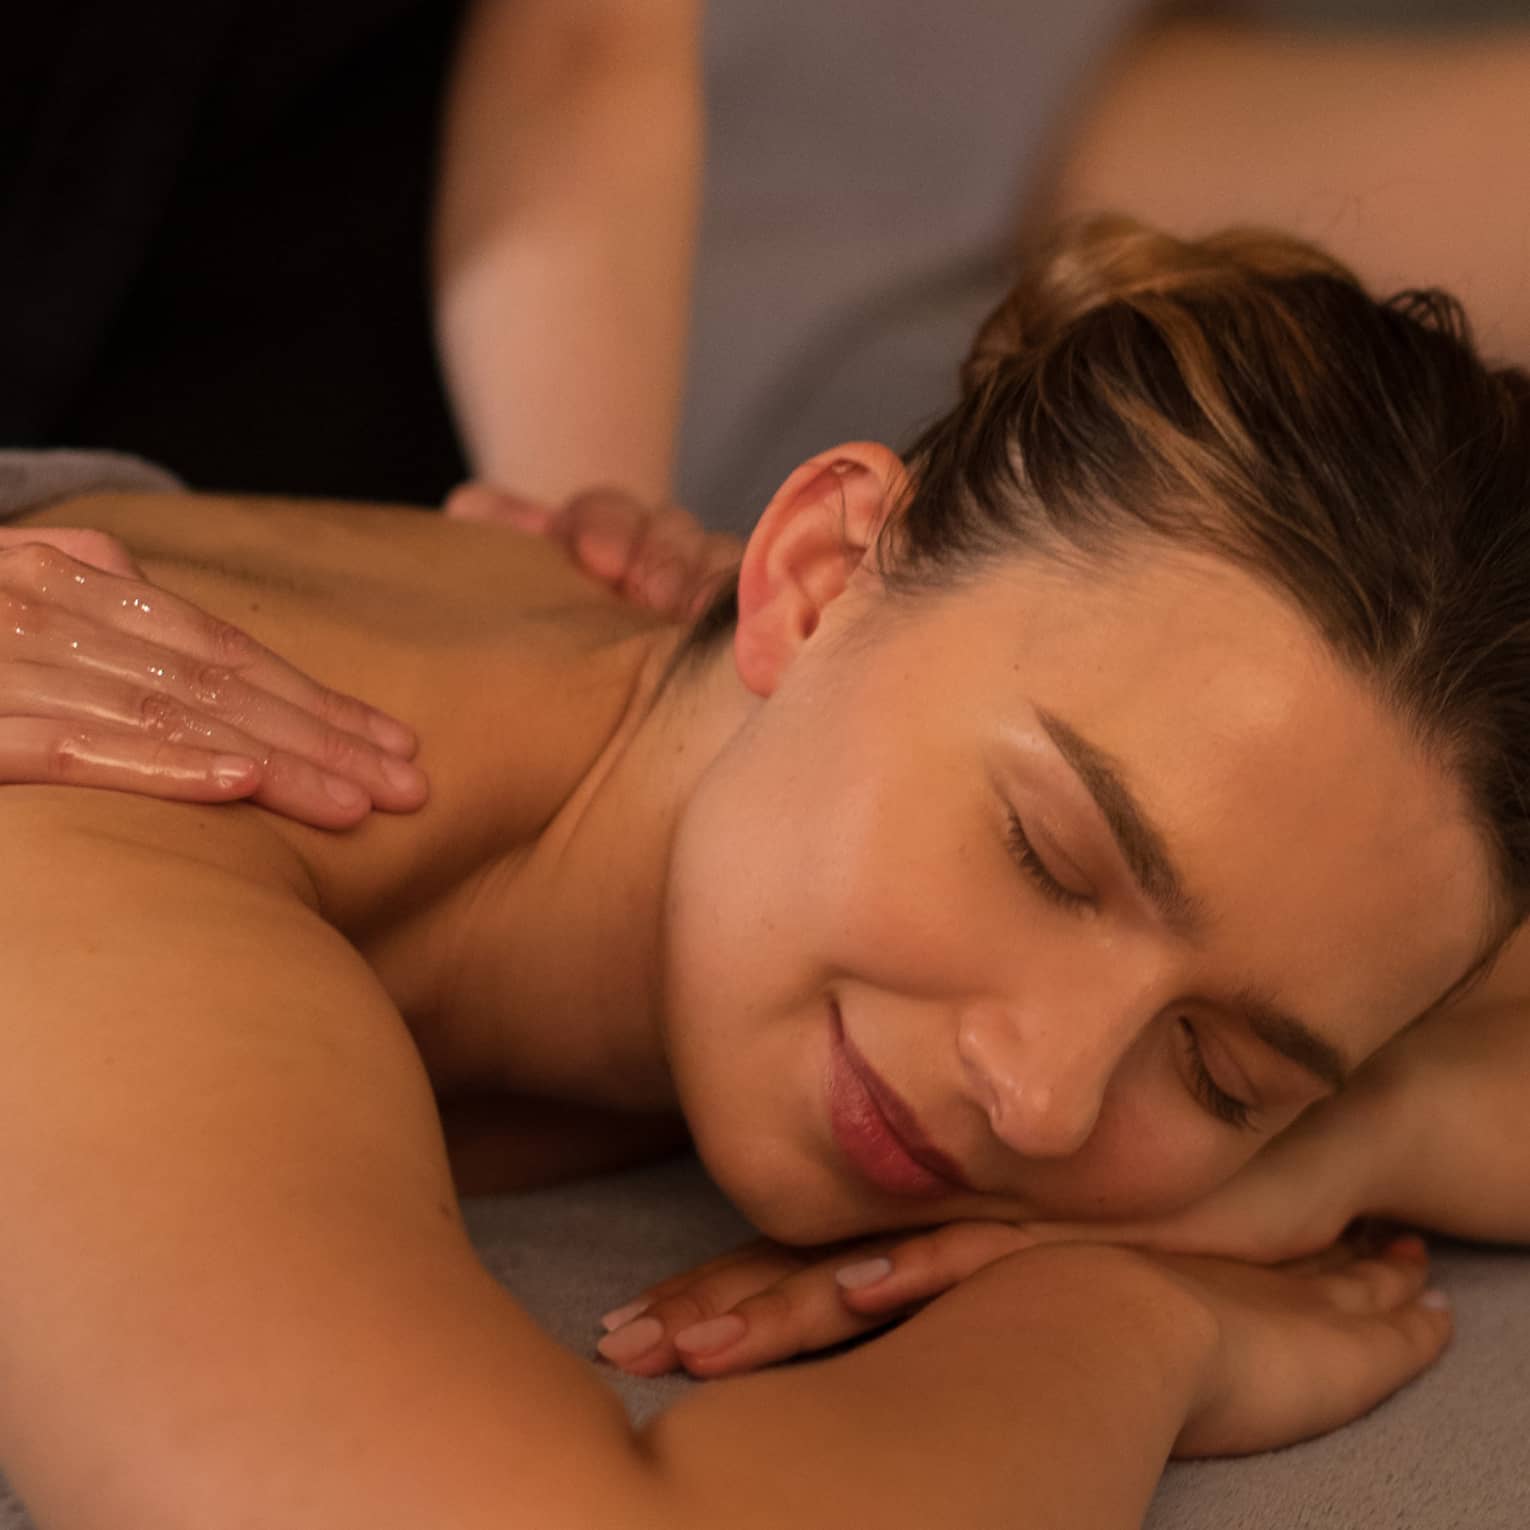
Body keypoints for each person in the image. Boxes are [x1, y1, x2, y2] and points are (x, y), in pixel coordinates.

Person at [0, 216, 1527, 1528]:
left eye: (1222, 1069)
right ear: (810, 575)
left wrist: (1362, 1133)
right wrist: (1120, 1323)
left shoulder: (882, 684)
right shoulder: (106, 847)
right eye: (1049, 859)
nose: (1043, 1097)